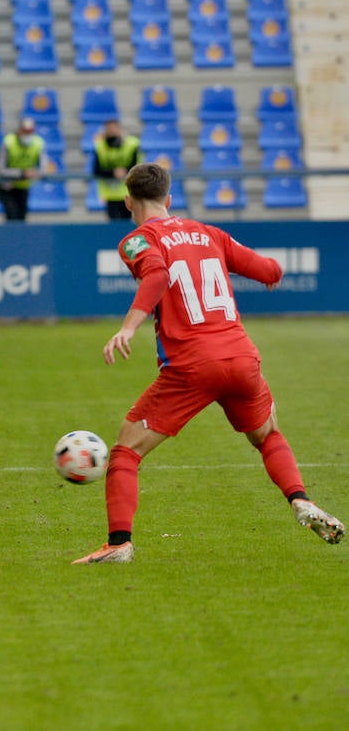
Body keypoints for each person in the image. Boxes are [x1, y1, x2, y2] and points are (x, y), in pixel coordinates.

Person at [74, 162, 343, 565]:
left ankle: (118, 543)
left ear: (128, 200)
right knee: (267, 435)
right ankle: (300, 500)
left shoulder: (135, 241)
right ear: (169, 198)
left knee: (126, 451)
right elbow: (270, 269)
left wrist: (128, 327)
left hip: (192, 366)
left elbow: (157, 274)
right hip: (241, 357)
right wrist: (269, 272)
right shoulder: (209, 233)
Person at [0, 117, 42, 222]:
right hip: (4, 184)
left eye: (30, 131)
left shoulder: (38, 143)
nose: (28, 134)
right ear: (19, 130)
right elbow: (1, 168)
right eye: (25, 131)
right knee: (12, 214)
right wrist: (22, 173)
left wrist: (35, 173)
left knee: (22, 216)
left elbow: (43, 167)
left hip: (22, 184)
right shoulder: (8, 142)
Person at [92, 118, 143, 221]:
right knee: (114, 224)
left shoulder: (132, 144)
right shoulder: (100, 146)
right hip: (110, 193)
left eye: (114, 129)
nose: (112, 132)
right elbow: (96, 170)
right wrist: (113, 173)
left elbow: (138, 166)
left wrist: (124, 172)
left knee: (128, 225)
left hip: (129, 191)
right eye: (109, 130)